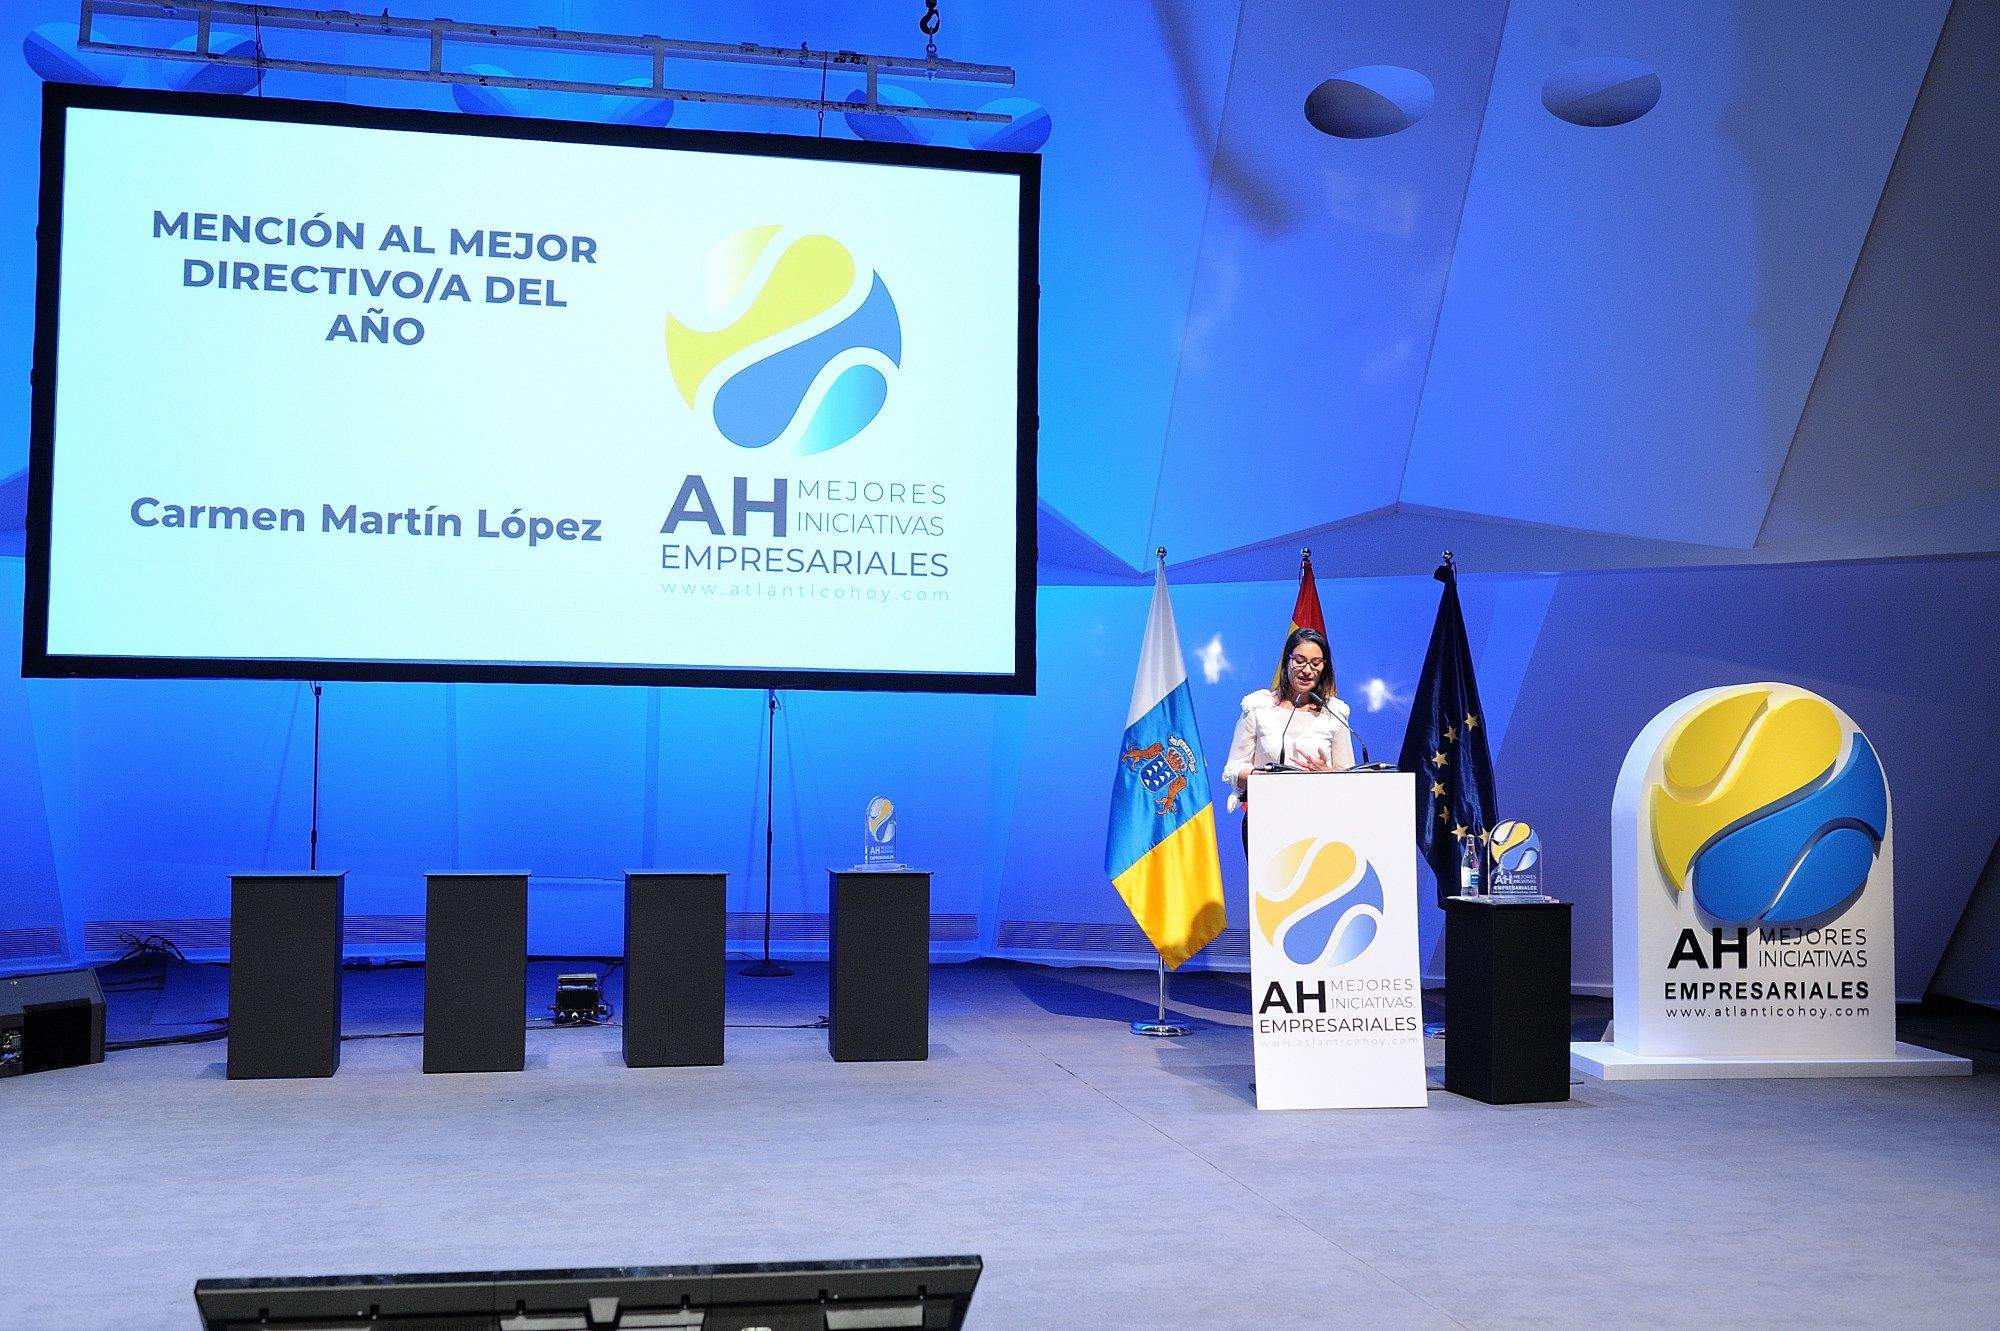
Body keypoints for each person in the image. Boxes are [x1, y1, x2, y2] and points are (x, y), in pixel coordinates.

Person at [1221, 627, 1356, 851]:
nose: (1307, 670)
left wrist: (1328, 774)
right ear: (1287, 661)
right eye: (1300, 661)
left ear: (1324, 667)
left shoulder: (1334, 713)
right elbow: (1233, 769)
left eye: (1316, 663)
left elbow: (1350, 778)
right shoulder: (1259, 707)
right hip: (1266, 820)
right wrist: (1260, 776)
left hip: (1321, 825)